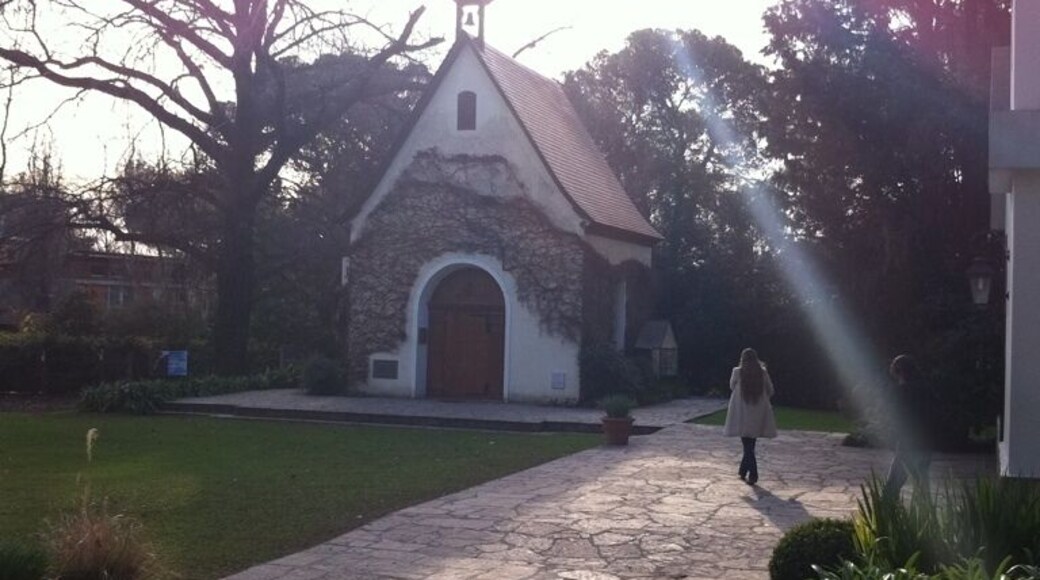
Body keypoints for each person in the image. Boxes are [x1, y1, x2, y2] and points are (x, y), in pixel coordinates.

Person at [724, 348, 777, 485]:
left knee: (747, 444)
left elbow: (731, 386)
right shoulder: (762, 373)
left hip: (742, 411)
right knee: (750, 443)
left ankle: (753, 473)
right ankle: (743, 471)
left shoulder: (737, 372)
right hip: (758, 412)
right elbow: (770, 390)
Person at [883, 354, 932, 498]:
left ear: (900, 372)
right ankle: (925, 517)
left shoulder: (902, 391)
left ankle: (886, 515)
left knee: (892, 487)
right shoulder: (926, 389)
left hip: (908, 445)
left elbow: (898, 418)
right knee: (922, 485)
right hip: (925, 444)